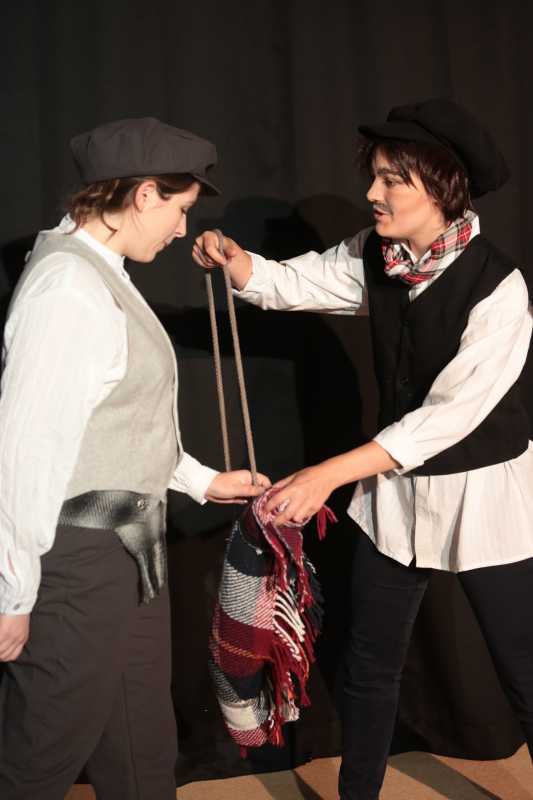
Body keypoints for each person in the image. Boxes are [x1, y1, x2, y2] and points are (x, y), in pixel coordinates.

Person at [194, 98, 533, 799]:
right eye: (373, 176)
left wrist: (327, 475)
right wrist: (237, 262)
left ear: (441, 188)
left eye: (391, 181)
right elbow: (296, 282)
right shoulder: (374, 255)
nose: (372, 193)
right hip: (396, 497)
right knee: (369, 665)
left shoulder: (500, 289)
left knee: (523, 670)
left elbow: (443, 421)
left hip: (483, 501)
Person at [0, 116, 270, 800]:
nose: (182, 231)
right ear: (144, 193)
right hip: (78, 561)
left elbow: (120, 417)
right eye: (180, 210)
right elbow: (26, 450)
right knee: (38, 756)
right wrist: (13, 592)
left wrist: (202, 482)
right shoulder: (67, 288)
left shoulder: (101, 274)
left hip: (131, 549)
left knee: (140, 741)